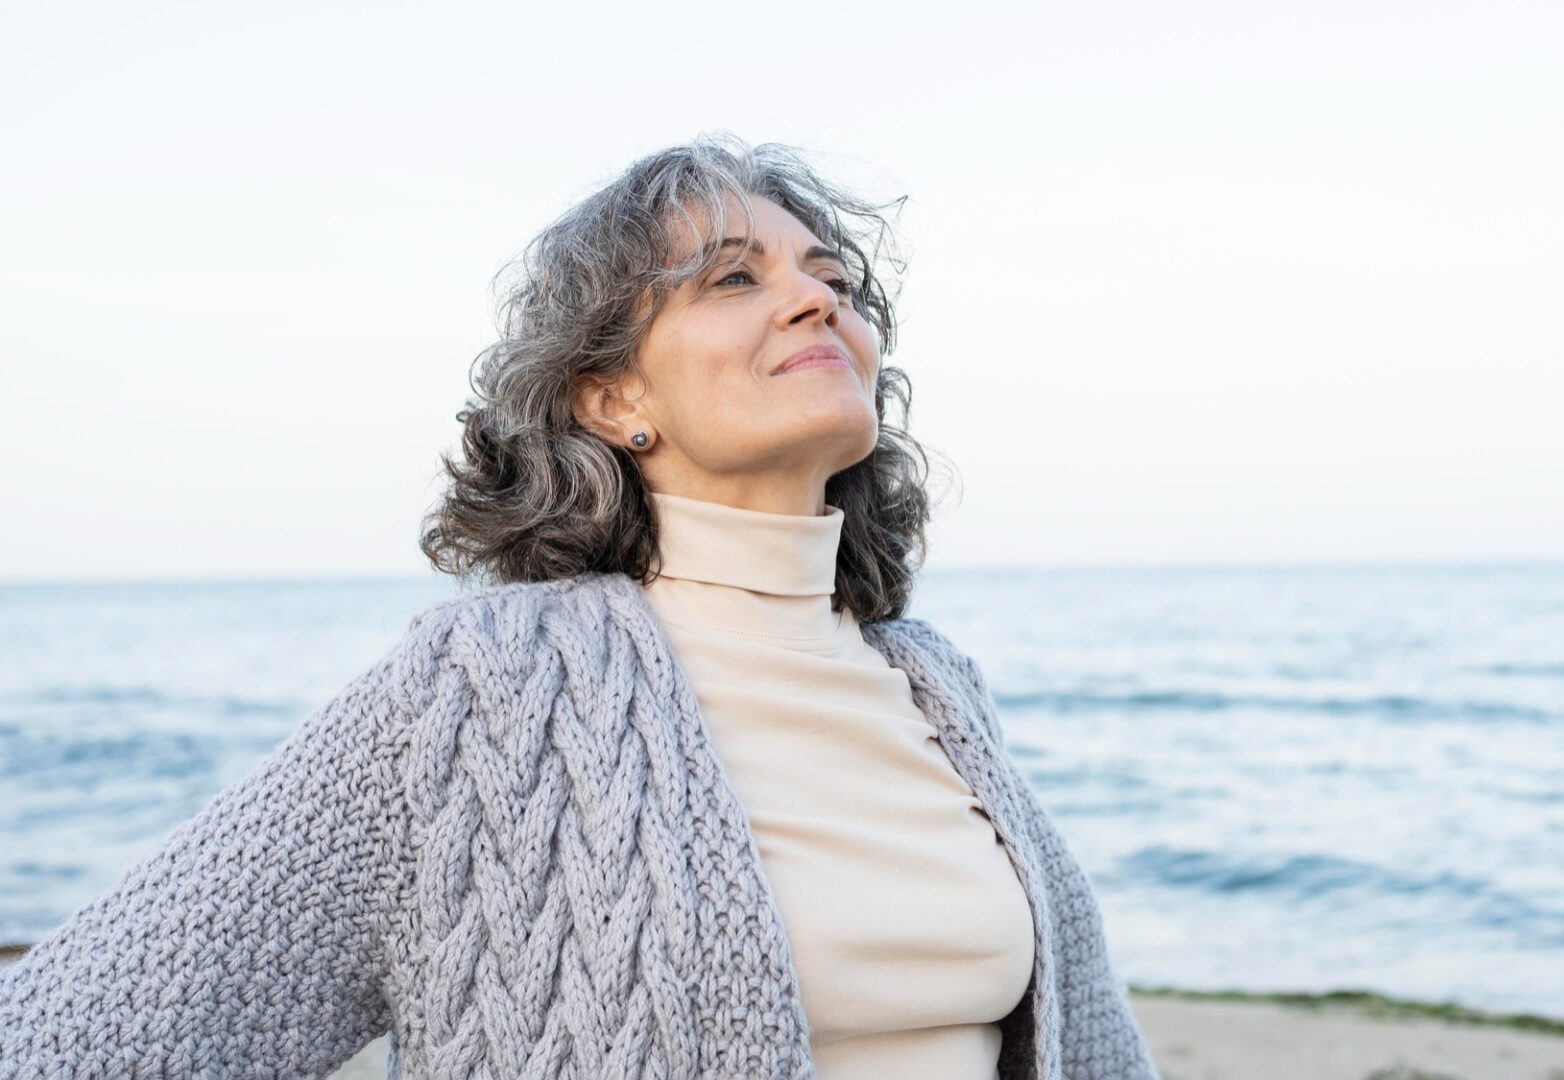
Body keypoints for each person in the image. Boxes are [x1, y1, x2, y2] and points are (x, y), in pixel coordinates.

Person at [0, 133, 1158, 1080]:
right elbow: (85, 1033)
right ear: (612, 398)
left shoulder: (931, 683)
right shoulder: (490, 688)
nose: (815, 302)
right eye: (734, 277)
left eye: (833, 279)